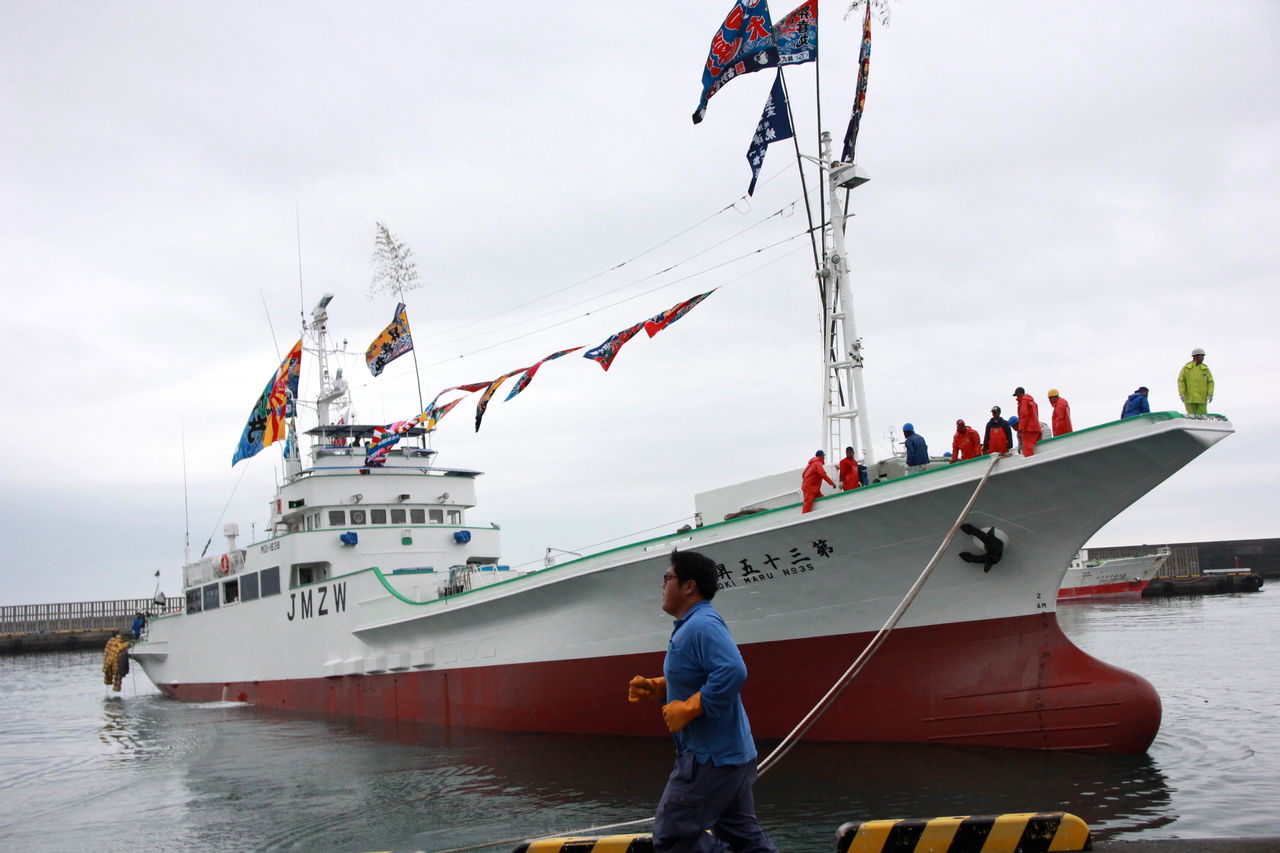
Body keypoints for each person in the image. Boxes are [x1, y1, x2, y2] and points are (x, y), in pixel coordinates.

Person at [628, 549, 778, 853]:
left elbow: (733, 671)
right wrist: (660, 689)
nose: (663, 585)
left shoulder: (702, 625)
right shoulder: (695, 624)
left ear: (688, 586)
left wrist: (692, 707)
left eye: (667, 577)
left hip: (708, 759)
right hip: (731, 756)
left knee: (672, 838)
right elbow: (701, 676)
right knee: (744, 837)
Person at [1177, 347, 1215, 414]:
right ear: (1195, 356)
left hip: (1201, 398)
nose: (1203, 358)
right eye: (1201, 356)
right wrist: (1181, 393)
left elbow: (1210, 382)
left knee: (1203, 417)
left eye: (1203, 356)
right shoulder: (1186, 368)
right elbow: (1181, 381)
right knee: (1191, 417)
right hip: (1189, 398)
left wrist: (1210, 394)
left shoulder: (1205, 369)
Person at [1013, 387, 1042, 456]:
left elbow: (1023, 415)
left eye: (1017, 395)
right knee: (1037, 448)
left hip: (1029, 429)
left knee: (1027, 449)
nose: (1016, 397)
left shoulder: (1024, 400)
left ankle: (1031, 464)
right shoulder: (1031, 401)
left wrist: (1020, 429)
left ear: (1020, 393)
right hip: (1036, 428)